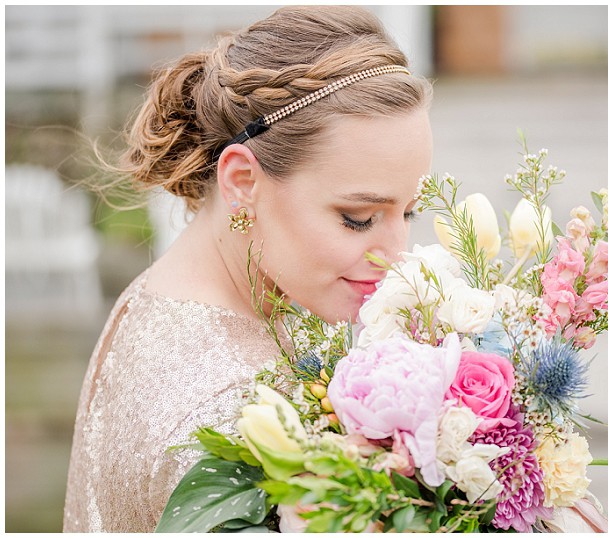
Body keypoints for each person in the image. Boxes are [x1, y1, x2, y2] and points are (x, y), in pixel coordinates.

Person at [63, 6, 433, 532]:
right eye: (359, 218)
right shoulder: (228, 427)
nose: (396, 255)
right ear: (242, 181)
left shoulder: (188, 291)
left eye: (409, 211)